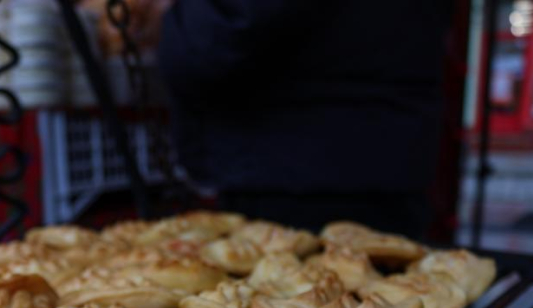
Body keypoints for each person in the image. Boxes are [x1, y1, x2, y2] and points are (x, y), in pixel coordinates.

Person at [158, 0, 453, 235]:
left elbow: (221, 31)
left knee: (301, 301)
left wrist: (176, 18)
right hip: (381, 154)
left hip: (298, 174)